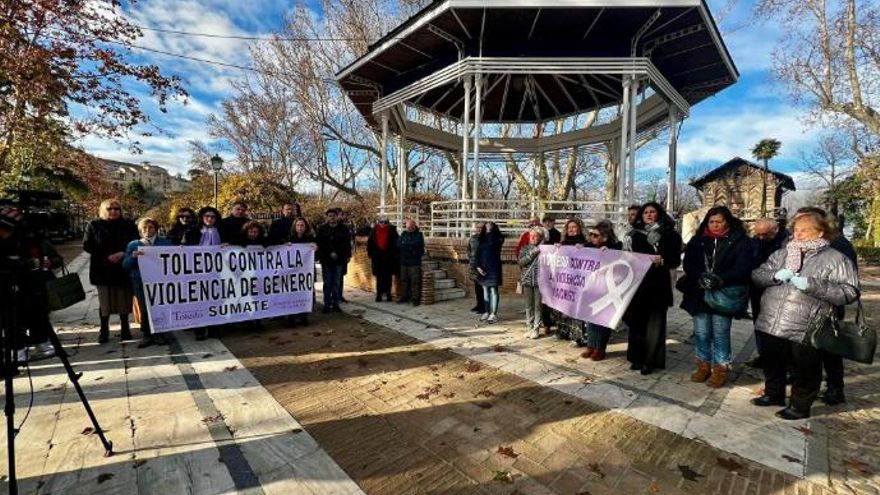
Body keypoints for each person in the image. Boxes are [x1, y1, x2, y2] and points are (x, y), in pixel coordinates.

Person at [750, 211, 859, 420]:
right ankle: (774, 394)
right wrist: (773, 276)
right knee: (772, 360)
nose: (798, 234)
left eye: (804, 230)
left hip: (807, 322)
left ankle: (800, 405)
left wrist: (812, 285)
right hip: (773, 319)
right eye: (796, 230)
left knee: (805, 367)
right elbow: (758, 274)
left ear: (820, 232)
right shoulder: (782, 253)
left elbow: (849, 291)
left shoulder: (836, 259)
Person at [679, 206, 753, 388]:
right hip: (700, 292)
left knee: (720, 332)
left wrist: (721, 278)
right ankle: (703, 365)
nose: (715, 225)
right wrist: (700, 276)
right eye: (712, 221)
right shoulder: (698, 240)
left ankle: (721, 367)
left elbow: (743, 267)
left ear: (727, 221)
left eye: (719, 221)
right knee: (701, 332)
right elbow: (689, 263)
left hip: (723, 294)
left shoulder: (740, 241)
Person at [796, 206, 857, 406]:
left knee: (829, 349)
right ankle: (805, 384)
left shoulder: (838, 245)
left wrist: (814, 285)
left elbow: (847, 284)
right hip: (803, 307)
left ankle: (835, 388)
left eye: (804, 223)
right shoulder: (802, 244)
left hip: (827, 307)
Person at [623, 202, 682, 375]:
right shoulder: (633, 234)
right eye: (645, 212)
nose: (648, 215)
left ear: (659, 214)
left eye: (652, 212)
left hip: (657, 283)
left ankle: (650, 361)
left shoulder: (669, 234)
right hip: (637, 284)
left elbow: (675, 260)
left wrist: (662, 260)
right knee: (637, 323)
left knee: (654, 325)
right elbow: (625, 256)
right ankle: (636, 357)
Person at [83, 199, 139, 344]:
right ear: (103, 210)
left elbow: (135, 241)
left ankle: (125, 328)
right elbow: (88, 245)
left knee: (123, 299)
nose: (113, 211)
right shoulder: (94, 225)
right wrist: (107, 255)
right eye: (109, 209)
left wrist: (122, 253)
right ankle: (104, 330)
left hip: (122, 266)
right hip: (102, 267)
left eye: (116, 209)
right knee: (105, 301)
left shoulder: (128, 224)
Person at [15, 217, 63, 360]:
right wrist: (30, 263)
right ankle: (20, 348)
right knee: (19, 318)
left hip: (42, 284)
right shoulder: (14, 244)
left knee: (41, 314)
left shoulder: (43, 243)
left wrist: (50, 263)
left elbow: (58, 259)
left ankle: (42, 341)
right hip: (20, 286)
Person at [123, 217, 172, 348]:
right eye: (144, 228)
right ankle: (147, 334)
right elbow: (125, 266)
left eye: (150, 227)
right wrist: (133, 257)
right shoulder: (133, 245)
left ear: (156, 229)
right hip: (140, 281)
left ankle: (159, 333)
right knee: (145, 308)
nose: (147, 230)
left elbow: (175, 260)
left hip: (161, 281)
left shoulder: (165, 243)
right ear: (140, 230)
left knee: (160, 306)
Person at [748, 218, 788, 368]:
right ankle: (763, 355)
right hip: (756, 289)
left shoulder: (787, 243)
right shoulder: (755, 241)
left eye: (765, 234)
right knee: (759, 323)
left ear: (775, 230)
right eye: (758, 234)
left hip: (777, 290)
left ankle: (779, 359)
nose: (761, 237)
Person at [581, 220, 622, 361]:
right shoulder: (588, 247)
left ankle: (600, 349)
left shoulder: (615, 247)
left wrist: (610, 252)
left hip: (607, 290)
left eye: (595, 235)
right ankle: (590, 346)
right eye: (591, 234)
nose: (591, 237)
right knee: (590, 319)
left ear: (604, 237)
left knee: (603, 320)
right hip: (592, 289)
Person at [555, 218, 588, 345]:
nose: (572, 230)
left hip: (579, 283)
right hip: (565, 282)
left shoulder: (586, 243)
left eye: (574, 227)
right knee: (564, 309)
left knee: (577, 310)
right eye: (569, 228)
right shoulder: (562, 244)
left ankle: (578, 337)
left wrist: (584, 248)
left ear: (579, 228)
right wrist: (557, 249)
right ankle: (564, 332)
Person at [193, 206, 222, 340]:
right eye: (207, 216)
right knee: (199, 301)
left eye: (213, 217)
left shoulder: (220, 231)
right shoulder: (194, 231)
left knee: (215, 299)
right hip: (198, 272)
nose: (210, 219)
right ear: (202, 217)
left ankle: (213, 328)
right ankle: (199, 329)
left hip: (216, 271)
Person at [316, 208, 351, 313]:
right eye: (330, 216)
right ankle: (327, 304)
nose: (332, 217)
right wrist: (329, 253)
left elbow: (346, 243)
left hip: (339, 259)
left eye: (334, 215)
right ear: (327, 217)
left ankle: (336, 304)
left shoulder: (344, 228)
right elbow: (320, 243)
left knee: (336, 283)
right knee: (327, 283)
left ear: (337, 216)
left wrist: (344, 254)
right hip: (326, 260)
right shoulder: (322, 229)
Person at [288, 217, 316, 327]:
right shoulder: (289, 238)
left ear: (306, 227)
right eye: (298, 225)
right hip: (292, 273)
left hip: (305, 272)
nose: (300, 227)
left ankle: (304, 316)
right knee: (292, 294)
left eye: (302, 225)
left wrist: (315, 248)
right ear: (294, 227)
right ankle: (292, 318)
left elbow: (316, 255)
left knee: (305, 293)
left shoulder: (310, 239)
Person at [518, 226, 545, 339]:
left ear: (540, 237)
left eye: (536, 236)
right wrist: (533, 253)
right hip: (527, 280)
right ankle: (529, 327)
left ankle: (536, 329)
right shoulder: (525, 248)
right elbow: (521, 262)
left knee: (538, 306)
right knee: (528, 306)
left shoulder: (545, 249)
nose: (533, 237)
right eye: (531, 235)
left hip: (539, 282)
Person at [476, 221, 504, 323]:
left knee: (493, 290)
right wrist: (478, 266)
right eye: (486, 225)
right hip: (483, 268)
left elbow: (493, 245)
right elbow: (478, 253)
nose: (487, 226)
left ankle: (493, 314)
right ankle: (487, 312)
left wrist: (489, 232)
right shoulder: (482, 238)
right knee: (485, 291)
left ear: (494, 227)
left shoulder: (499, 237)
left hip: (494, 267)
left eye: (490, 225)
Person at [367, 217, 399, 302]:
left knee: (388, 277)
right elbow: (370, 243)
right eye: (381, 222)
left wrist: (396, 255)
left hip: (389, 258)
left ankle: (388, 294)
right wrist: (370, 254)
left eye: (385, 222)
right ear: (378, 222)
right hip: (377, 258)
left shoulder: (392, 231)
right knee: (379, 277)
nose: (383, 224)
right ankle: (379, 295)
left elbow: (397, 243)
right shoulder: (374, 231)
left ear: (388, 223)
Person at [397, 218, 425, 306]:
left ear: (413, 226)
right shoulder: (404, 234)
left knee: (415, 281)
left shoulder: (419, 235)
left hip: (414, 262)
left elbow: (416, 244)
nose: (407, 229)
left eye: (409, 227)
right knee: (403, 280)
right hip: (404, 261)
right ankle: (404, 296)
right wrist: (407, 244)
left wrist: (405, 244)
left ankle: (415, 299)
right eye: (406, 227)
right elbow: (398, 244)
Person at [467, 222, 486, 313]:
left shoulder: (487, 238)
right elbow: (469, 250)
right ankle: (479, 305)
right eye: (477, 227)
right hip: (474, 266)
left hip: (483, 267)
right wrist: (471, 259)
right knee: (477, 288)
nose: (479, 229)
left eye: (481, 227)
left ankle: (484, 307)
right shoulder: (473, 238)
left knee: (483, 288)